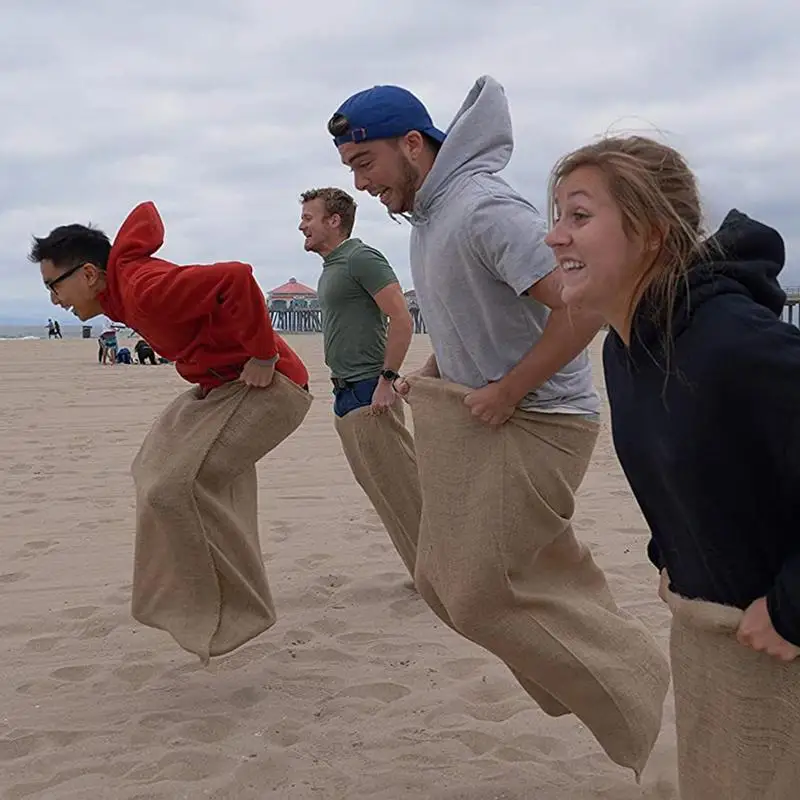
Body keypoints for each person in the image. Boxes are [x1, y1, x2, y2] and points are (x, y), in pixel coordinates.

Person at [327, 75, 670, 777]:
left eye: (365, 163)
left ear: (412, 145)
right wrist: (432, 368)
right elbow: (479, 318)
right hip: (493, 417)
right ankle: (619, 673)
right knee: (439, 579)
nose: (360, 184)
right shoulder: (431, 222)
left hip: (544, 418)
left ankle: (653, 714)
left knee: (481, 592)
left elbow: (582, 307)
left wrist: (510, 389)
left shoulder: (483, 209)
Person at [546, 134, 800, 798]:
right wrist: (672, 555)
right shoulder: (624, 349)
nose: (554, 236)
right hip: (710, 639)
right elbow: (691, 469)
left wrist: (792, 606)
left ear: (652, 233)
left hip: (777, 646)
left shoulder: (730, 341)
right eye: (557, 215)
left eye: (579, 215)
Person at [30, 201, 313, 662]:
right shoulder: (121, 295)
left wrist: (264, 354)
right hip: (220, 389)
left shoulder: (142, 289)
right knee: (148, 470)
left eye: (53, 286)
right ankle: (172, 598)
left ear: (88, 274)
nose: (54, 300)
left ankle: (238, 609)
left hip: (273, 389)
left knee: (173, 488)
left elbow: (236, 277)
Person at [299, 186, 420, 579]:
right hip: (344, 393)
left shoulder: (360, 258)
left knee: (406, 493)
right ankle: (425, 574)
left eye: (308, 218)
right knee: (385, 495)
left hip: (370, 389)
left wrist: (387, 380)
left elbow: (401, 319)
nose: (302, 226)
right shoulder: (332, 266)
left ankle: (448, 577)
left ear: (334, 221)